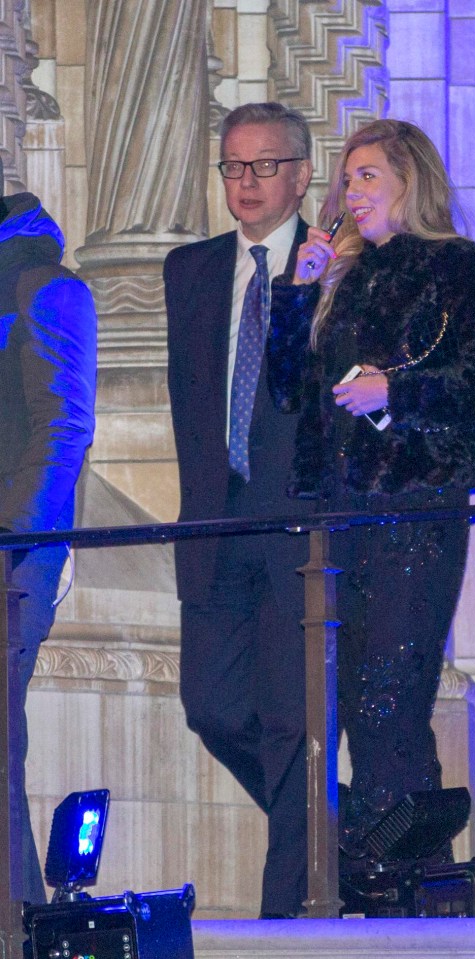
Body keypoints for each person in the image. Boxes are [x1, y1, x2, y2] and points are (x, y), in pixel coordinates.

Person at [268, 119, 475, 853]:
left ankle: (396, 887)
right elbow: (289, 392)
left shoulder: (453, 265)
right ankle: (417, 881)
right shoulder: (344, 276)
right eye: (347, 179)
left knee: (389, 700)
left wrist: (396, 392)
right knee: (356, 706)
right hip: (340, 512)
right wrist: (297, 292)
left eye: (368, 175)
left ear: (412, 182)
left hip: (413, 507)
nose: (352, 192)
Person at [164, 103, 315, 917]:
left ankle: (287, 910)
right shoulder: (188, 269)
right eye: (233, 166)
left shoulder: (331, 268)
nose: (246, 182)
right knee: (212, 705)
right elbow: (190, 402)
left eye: (263, 166)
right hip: (214, 525)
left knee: (294, 725)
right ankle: (335, 828)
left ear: (299, 173)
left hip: (298, 525)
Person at [0, 165, 97, 903]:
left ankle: (21, 920)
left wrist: (12, 538)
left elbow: (64, 429)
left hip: (14, 557)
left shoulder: (44, 285)